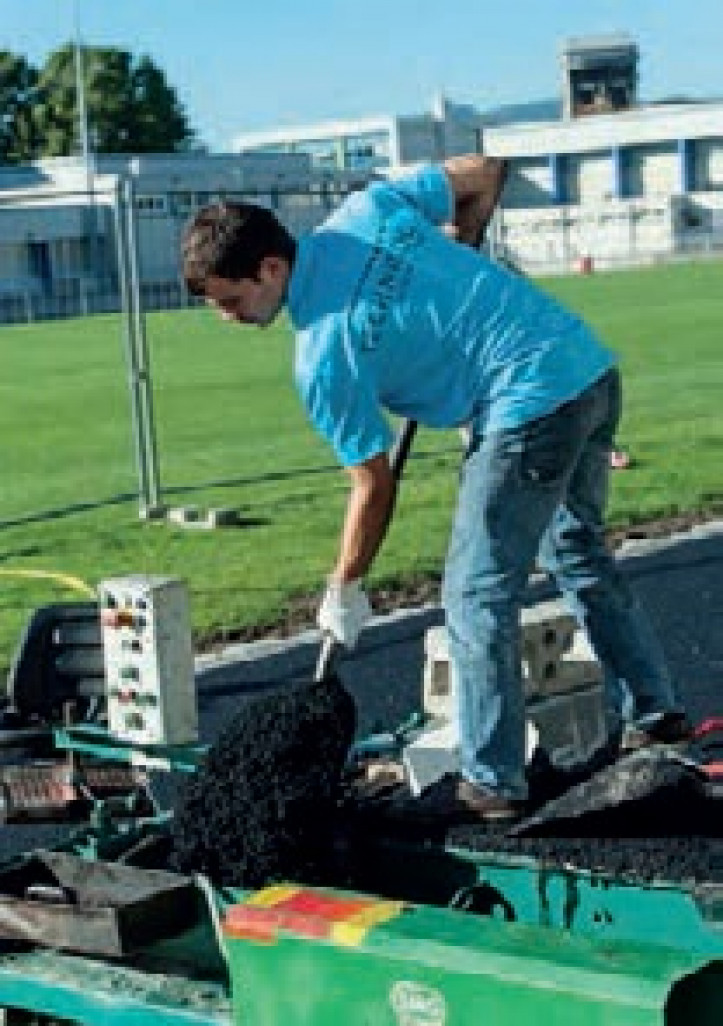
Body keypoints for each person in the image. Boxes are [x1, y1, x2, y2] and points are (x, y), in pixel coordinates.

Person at [181, 155, 691, 823]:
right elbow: (483, 173)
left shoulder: (323, 355)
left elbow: (373, 484)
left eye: (230, 300)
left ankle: (490, 781)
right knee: (575, 553)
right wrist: (467, 233)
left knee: (474, 594)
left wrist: (345, 585)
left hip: (527, 405)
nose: (228, 318)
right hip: (586, 369)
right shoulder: (364, 214)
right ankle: (652, 715)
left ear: (270, 269)